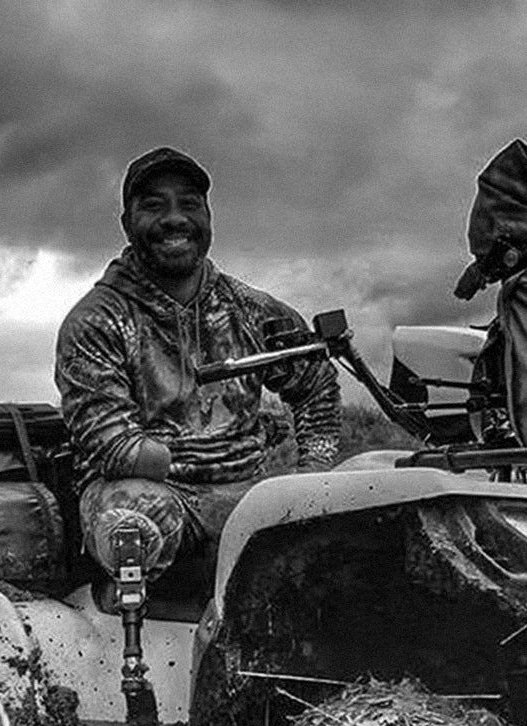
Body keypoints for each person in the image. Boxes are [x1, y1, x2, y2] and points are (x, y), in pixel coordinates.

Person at [55, 146, 341, 581]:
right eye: (154, 206)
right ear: (127, 223)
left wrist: (312, 477)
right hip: (160, 495)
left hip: (250, 493)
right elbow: (114, 446)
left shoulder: (251, 309)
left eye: (188, 204)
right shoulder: (96, 320)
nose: (174, 219)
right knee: (130, 519)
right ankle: (125, 614)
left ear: (208, 217)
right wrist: (215, 476)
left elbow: (316, 382)